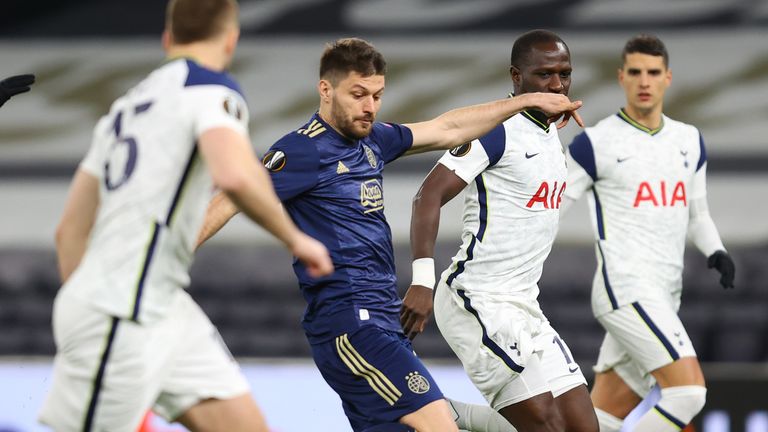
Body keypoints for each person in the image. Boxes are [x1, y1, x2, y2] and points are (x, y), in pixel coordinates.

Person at [197, 37, 583, 431]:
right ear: (325, 90)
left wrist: (523, 103)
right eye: (358, 94)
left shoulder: (374, 140)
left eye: (377, 95)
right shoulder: (302, 151)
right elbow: (231, 198)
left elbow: (447, 128)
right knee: (442, 426)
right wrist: (169, 253)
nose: (369, 107)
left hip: (383, 317)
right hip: (350, 323)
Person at [38, 1, 333, 431]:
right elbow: (233, 174)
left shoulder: (123, 110)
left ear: (167, 39)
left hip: (163, 308)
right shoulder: (213, 91)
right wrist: (296, 238)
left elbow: (69, 232)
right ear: (230, 40)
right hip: (118, 310)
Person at [405, 30, 598, 432]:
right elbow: (427, 196)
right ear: (516, 77)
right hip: (477, 299)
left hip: (525, 304)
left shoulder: (549, 134)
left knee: (583, 427)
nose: (558, 84)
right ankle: (427, 414)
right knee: (544, 425)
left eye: (565, 73)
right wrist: (422, 280)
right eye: (545, 74)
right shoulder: (496, 130)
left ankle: (446, 414)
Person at [562, 34, 735, 431]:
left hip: (664, 293)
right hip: (624, 288)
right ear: (621, 77)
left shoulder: (688, 139)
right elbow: (551, 206)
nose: (644, 80)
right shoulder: (596, 142)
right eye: (635, 72)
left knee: (599, 420)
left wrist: (716, 251)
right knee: (688, 393)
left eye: (653, 72)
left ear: (667, 78)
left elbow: (699, 213)